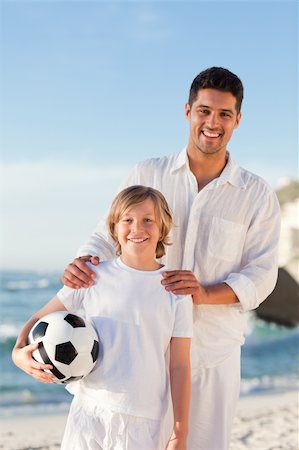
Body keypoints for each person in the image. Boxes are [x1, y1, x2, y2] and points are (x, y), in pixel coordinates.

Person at [61, 67, 281, 449]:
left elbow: (262, 275)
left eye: (224, 114)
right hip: (138, 353)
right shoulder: (148, 172)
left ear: (238, 120)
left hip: (213, 355)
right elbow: (107, 233)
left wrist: (204, 293)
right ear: (188, 111)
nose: (213, 123)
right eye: (204, 111)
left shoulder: (256, 194)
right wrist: (83, 262)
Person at [12, 185, 193, 450]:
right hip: (89, 408)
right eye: (127, 220)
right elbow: (41, 317)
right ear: (114, 228)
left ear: (162, 227)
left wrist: (180, 430)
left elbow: (179, 367)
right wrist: (18, 352)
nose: (137, 228)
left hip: (141, 417)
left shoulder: (175, 290)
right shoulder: (93, 276)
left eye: (148, 220)